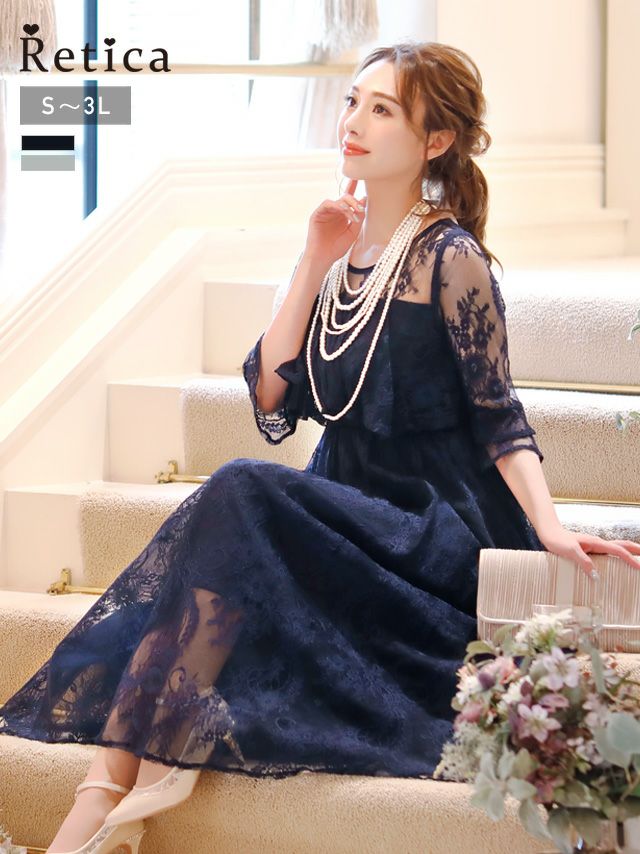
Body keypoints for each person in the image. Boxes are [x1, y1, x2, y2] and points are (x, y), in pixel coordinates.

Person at [2, 40, 640, 854]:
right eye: (352, 102)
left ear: (436, 140)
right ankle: (116, 791)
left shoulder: (452, 260)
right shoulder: (339, 259)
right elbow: (272, 395)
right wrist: (312, 257)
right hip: (345, 514)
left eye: (383, 109)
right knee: (233, 520)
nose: (355, 122)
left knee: (240, 489)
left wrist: (548, 527)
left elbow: (500, 414)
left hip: (427, 534)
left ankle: (117, 790)